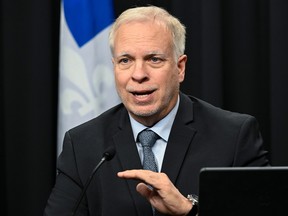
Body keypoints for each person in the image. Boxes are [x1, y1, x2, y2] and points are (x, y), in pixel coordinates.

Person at [44, 5, 269, 216]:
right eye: (125, 60)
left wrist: (190, 211)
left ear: (180, 68)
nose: (138, 74)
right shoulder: (83, 144)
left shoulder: (233, 136)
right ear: (114, 67)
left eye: (154, 59)